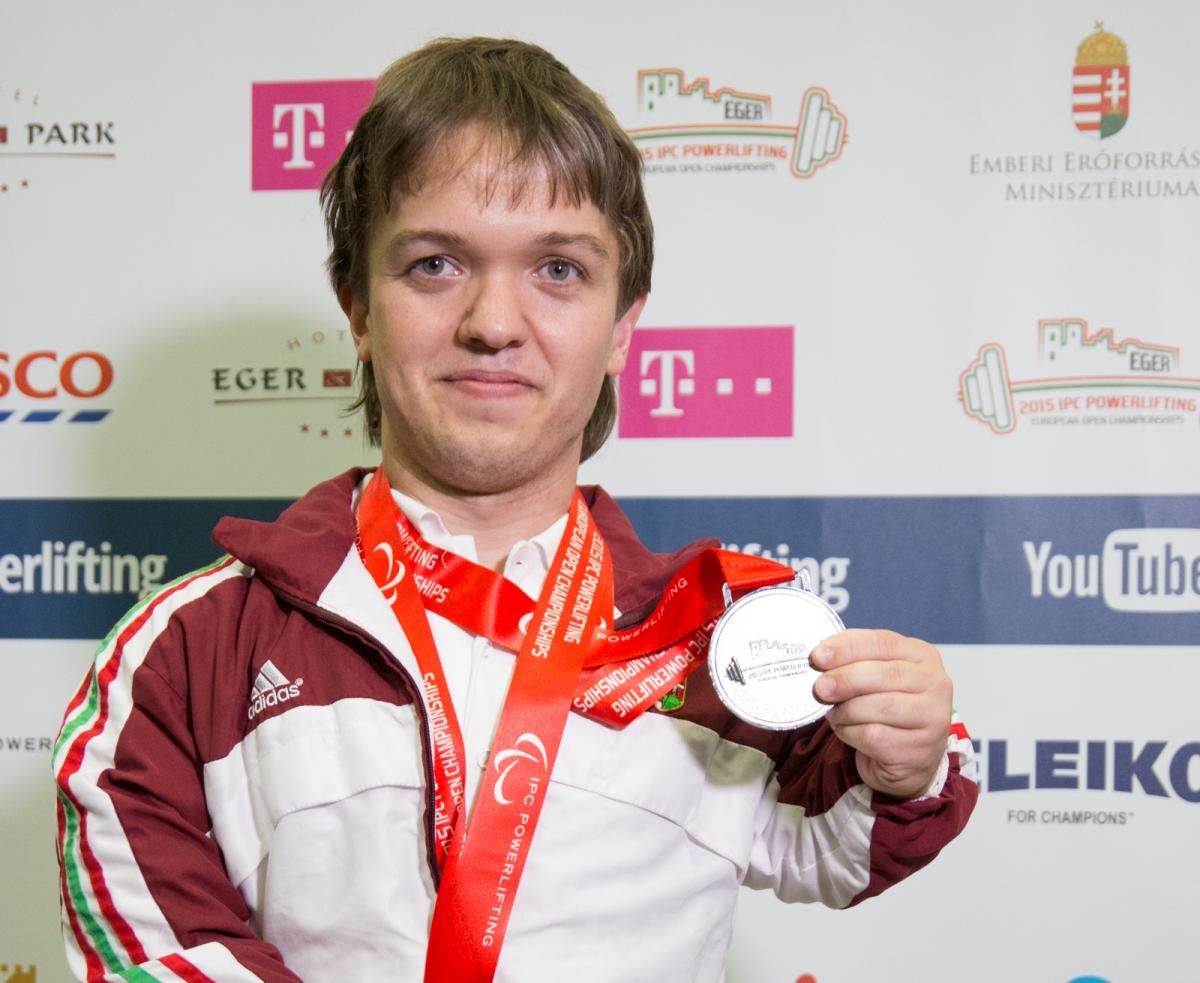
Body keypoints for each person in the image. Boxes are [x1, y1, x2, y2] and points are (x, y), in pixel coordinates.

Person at [53, 37, 977, 983]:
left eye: (559, 270)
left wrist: (906, 755)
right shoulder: (186, 653)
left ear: (622, 326)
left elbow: (846, 846)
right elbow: (158, 959)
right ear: (359, 312)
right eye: (435, 264)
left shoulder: (712, 636)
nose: (494, 322)